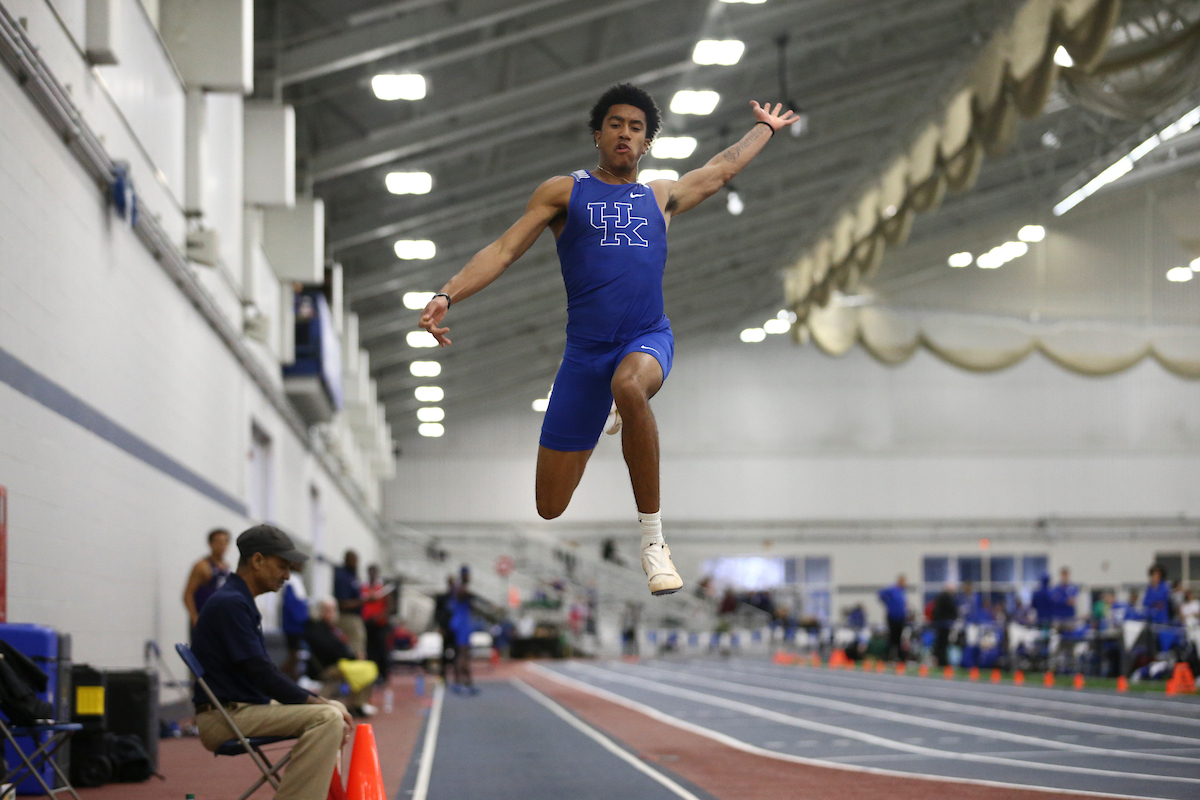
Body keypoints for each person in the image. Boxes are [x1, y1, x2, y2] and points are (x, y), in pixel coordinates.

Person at [419, 84, 797, 597]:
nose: (625, 133)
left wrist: (764, 129)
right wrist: (447, 293)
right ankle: (619, 406)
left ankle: (654, 543)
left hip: (646, 339)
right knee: (549, 504)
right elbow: (504, 249)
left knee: (629, 384)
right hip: (585, 356)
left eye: (637, 128)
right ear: (598, 135)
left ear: (647, 145)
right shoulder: (563, 192)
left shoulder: (660, 196)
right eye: (616, 124)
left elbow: (722, 170)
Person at [191, 525, 352, 800]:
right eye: (282, 566)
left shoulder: (238, 600)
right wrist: (316, 702)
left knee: (334, 708)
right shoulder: (231, 604)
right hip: (224, 717)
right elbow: (261, 674)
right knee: (327, 717)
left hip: (242, 709)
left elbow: (262, 674)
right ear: (257, 561)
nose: (287, 576)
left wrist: (319, 701)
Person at [304, 599, 378, 717]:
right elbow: (330, 650)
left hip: (338, 663)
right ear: (319, 611)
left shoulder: (331, 627)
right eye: (327, 610)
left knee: (367, 667)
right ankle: (357, 705)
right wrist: (352, 656)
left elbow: (340, 647)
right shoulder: (315, 627)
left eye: (333, 610)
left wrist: (353, 656)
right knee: (362, 669)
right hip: (324, 666)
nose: (331, 613)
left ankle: (359, 704)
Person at [183, 528, 231, 633]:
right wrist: (194, 616)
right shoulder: (202, 566)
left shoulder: (226, 567)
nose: (222, 546)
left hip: (221, 621)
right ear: (211, 544)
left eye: (225, 542)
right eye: (218, 542)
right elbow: (188, 594)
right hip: (203, 620)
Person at [361, 565, 392, 684]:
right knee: (370, 650)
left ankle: (383, 674)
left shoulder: (383, 589)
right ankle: (371, 674)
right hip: (367, 624)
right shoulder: (364, 588)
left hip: (380, 624)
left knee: (381, 650)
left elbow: (389, 606)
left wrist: (380, 616)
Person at [447, 577, 478, 694]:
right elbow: (466, 594)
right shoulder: (460, 592)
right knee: (462, 654)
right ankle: (460, 681)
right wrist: (463, 585)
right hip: (462, 624)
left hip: (460, 623)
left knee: (464, 654)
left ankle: (464, 680)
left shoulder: (455, 593)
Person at [333, 550, 366, 658]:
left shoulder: (353, 576)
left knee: (358, 647)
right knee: (355, 651)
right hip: (348, 618)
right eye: (354, 561)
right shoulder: (343, 577)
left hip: (354, 617)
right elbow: (343, 603)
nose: (356, 564)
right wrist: (363, 600)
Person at [280, 572, 310, 680]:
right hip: (293, 626)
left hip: (296, 625)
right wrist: (303, 618)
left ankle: (289, 678)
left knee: (295, 656)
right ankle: (283, 677)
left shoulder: (297, 580)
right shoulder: (291, 581)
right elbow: (292, 605)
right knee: (293, 655)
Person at [878, 574, 908, 662]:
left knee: (898, 638)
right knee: (892, 637)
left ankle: (900, 658)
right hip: (892, 616)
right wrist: (888, 604)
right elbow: (880, 594)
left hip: (901, 617)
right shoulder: (892, 589)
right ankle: (886, 656)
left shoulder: (903, 591)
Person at [931, 586, 957, 667]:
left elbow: (935, 612)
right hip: (945, 624)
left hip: (940, 624)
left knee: (939, 644)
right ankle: (942, 661)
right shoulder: (948, 600)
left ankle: (940, 660)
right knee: (943, 644)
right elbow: (953, 611)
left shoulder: (939, 600)